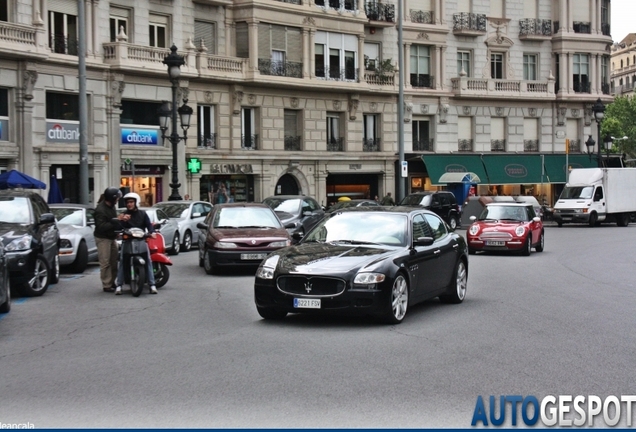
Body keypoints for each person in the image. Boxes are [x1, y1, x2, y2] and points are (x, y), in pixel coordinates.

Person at [114, 192, 158, 295]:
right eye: (128, 202)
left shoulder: (143, 214)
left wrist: (152, 232)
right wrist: (121, 221)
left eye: (131, 202)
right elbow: (119, 227)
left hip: (141, 240)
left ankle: (152, 284)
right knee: (122, 260)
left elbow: (148, 224)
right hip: (128, 240)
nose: (129, 204)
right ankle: (119, 285)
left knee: (148, 260)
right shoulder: (124, 215)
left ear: (136, 202)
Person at [94, 187, 126, 293]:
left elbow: (113, 221)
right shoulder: (100, 210)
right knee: (105, 262)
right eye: (116, 198)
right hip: (103, 238)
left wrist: (118, 229)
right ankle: (106, 284)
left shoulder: (112, 207)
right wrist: (116, 220)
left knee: (113, 260)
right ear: (111, 198)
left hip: (111, 237)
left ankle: (112, 281)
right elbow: (101, 226)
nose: (117, 200)